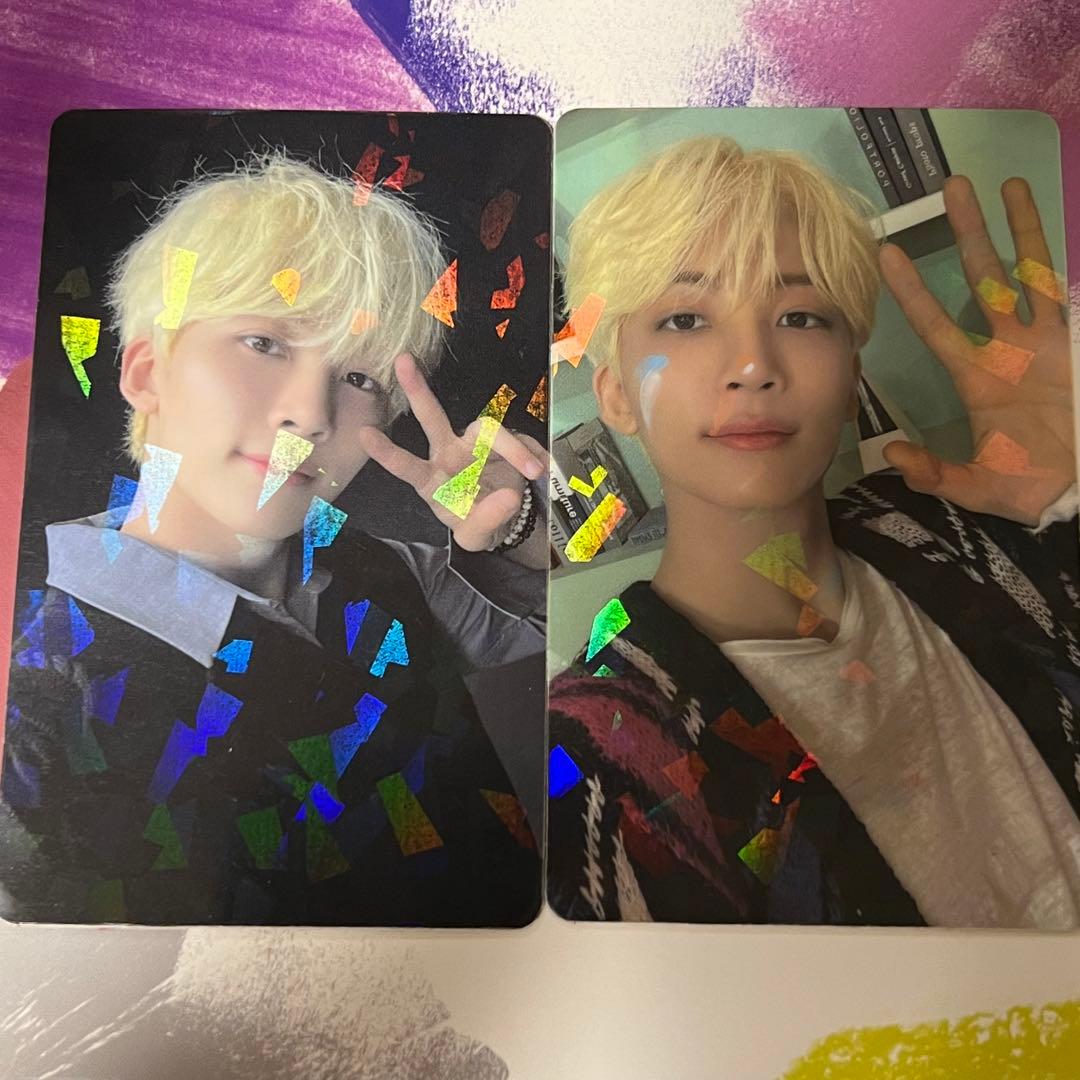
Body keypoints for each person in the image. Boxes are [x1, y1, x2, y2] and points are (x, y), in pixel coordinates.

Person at [1, 151, 547, 926]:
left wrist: (520, 527)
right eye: (264, 342)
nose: (311, 414)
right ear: (147, 373)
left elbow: (566, 638)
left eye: (359, 378)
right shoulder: (32, 691)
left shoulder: (383, 570)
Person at [547, 135, 1080, 929]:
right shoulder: (589, 755)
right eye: (686, 318)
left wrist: (1068, 502)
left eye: (799, 316)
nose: (754, 364)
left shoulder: (952, 526)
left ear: (851, 371)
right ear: (616, 394)